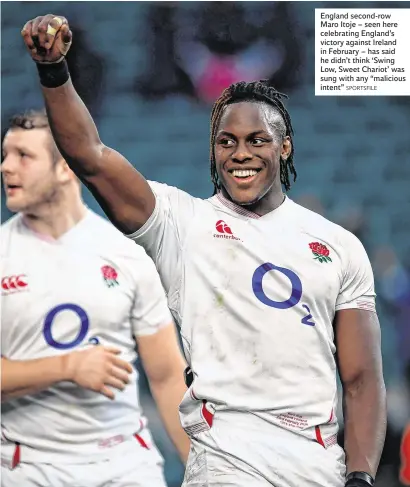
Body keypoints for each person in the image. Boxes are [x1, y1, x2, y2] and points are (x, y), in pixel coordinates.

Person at [19, 14, 387, 487]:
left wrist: (359, 476)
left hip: (318, 467)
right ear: (213, 150)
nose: (241, 154)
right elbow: (89, 155)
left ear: (286, 148)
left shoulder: (339, 247)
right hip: (226, 462)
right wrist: (54, 72)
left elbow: (360, 380)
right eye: (226, 142)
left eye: (258, 140)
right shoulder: (181, 222)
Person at [1, 109, 190, 487]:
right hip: (28, 468)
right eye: (5, 154)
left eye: (23, 156)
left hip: (125, 465)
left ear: (66, 167)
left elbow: (168, 377)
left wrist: (204, 470)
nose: (6, 167)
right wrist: (68, 366)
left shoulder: (128, 252)